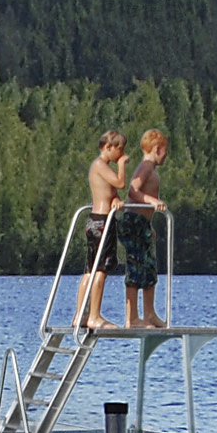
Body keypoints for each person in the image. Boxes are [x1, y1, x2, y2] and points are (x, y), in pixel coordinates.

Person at [74, 131, 129, 330]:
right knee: (99, 270)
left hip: (99, 221)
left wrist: (116, 200)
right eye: (119, 150)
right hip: (101, 223)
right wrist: (122, 165)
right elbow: (121, 183)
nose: (121, 155)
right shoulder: (99, 165)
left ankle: (82, 315)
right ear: (107, 147)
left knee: (92, 269)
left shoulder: (103, 170)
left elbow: (113, 191)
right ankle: (93, 316)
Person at [121, 129, 170, 328]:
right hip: (132, 222)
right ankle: (131, 318)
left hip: (142, 224)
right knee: (135, 267)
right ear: (157, 149)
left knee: (149, 268)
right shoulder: (146, 166)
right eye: (165, 151)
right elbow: (133, 190)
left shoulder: (152, 169)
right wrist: (151, 200)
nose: (166, 156)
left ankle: (149, 313)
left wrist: (149, 225)